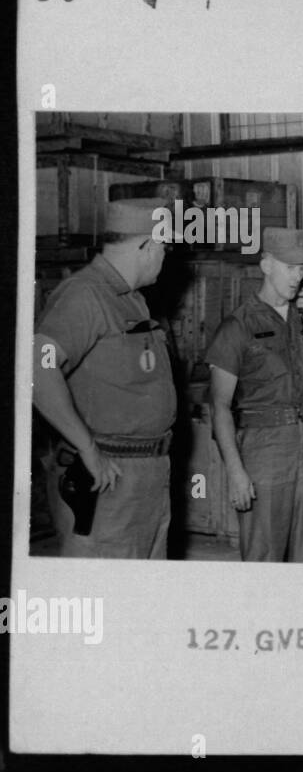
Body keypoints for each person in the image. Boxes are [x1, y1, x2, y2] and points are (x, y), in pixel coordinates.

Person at [33, 198, 178, 559]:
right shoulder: (85, 294)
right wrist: (86, 446)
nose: (166, 257)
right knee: (106, 599)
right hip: (108, 480)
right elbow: (37, 366)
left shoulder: (131, 300)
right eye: (165, 248)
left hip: (147, 477)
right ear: (148, 246)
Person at [204, 228, 303, 562]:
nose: (297, 276)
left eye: (301, 269)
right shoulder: (237, 326)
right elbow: (219, 407)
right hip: (264, 448)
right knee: (263, 553)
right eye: (288, 267)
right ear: (266, 264)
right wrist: (236, 472)